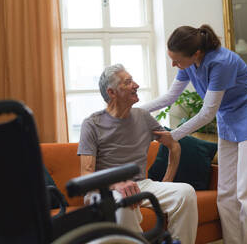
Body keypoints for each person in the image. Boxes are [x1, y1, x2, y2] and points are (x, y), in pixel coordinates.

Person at [140, 24, 247, 244]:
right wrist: (134, 111)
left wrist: (173, 135)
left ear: (196, 53)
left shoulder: (221, 62)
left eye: (177, 60)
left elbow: (206, 113)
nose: (174, 64)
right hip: (229, 124)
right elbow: (169, 98)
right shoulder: (188, 62)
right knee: (226, 195)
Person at [77, 64, 198, 244]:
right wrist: (116, 184)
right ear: (112, 92)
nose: (136, 85)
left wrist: (167, 180)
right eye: (128, 82)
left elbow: (174, 145)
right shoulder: (92, 124)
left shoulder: (143, 116)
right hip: (103, 190)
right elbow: (86, 175)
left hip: (140, 184)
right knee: (123, 204)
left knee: (185, 193)